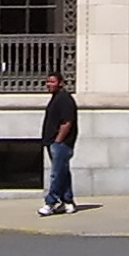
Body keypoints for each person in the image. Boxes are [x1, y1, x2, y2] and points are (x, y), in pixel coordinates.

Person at [38, 70, 77, 215]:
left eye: (52, 82)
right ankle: (68, 201)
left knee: (56, 173)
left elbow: (67, 122)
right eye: (47, 82)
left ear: (60, 83)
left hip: (61, 143)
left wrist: (58, 140)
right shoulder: (55, 98)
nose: (49, 85)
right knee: (63, 172)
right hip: (53, 142)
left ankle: (51, 202)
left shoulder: (64, 99)